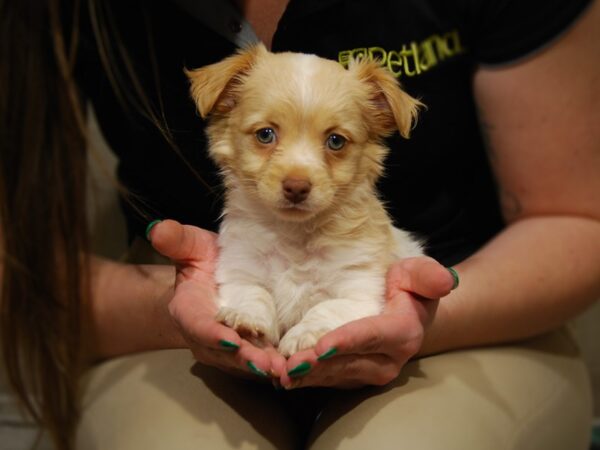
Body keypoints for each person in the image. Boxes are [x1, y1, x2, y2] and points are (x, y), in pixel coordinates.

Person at [1, 0, 599, 449]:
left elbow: (579, 217)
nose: (297, 173)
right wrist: (185, 307)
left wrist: (414, 319)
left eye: (336, 142)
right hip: (155, 312)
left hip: (476, 314)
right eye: (266, 135)